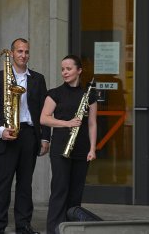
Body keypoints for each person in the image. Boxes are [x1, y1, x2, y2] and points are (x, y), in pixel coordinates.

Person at [0, 38, 50, 234]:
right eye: (20, 51)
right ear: (12, 54)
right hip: (7, 134)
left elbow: (44, 111)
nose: (24, 55)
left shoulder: (38, 78)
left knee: (25, 183)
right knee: (2, 183)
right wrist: (0, 130)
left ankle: (23, 225)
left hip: (29, 134)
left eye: (27, 52)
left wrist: (45, 137)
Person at [41, 55, 97, 234]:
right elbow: (44, 118)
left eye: (69, 69)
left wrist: (92, 148)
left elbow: (92, 123)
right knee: (60, 189)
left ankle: (72, 229)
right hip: (60, 148)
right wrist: (67, 123)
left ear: (79, 70)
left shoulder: (89, 95)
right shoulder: (54, 93)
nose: (64, 72)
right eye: (62, 69)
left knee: (76, 192)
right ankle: (55, 229)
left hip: (81, 149)